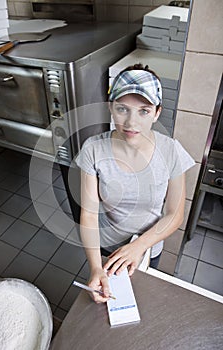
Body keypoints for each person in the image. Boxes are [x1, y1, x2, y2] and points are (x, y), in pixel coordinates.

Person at [75, 63, 195, 303]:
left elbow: (174, 214)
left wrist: (139, 246)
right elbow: (88, 215)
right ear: (110, 107)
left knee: (141, 301)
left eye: (144, 111)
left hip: (150, 246)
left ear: (157, 112)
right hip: (109, 246)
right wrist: (96, 268)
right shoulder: (93, 150)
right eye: (122, 109)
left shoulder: (171, 152)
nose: (131, 123)